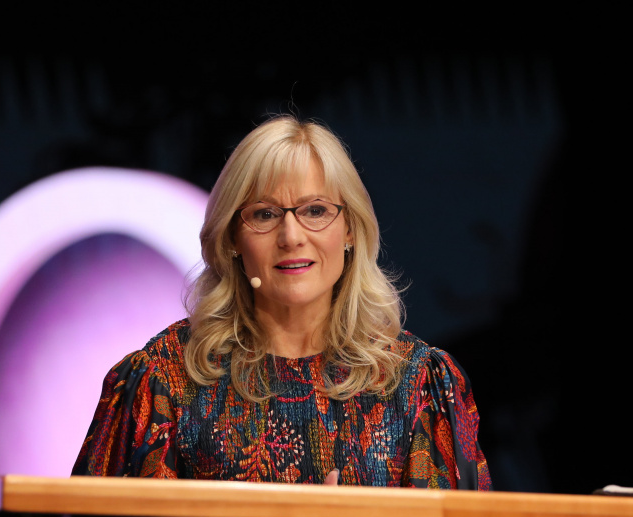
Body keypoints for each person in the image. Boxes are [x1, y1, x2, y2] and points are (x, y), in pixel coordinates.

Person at [72, 117, 490, 490]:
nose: (291, 236)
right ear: (232, 239)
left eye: (315, 210)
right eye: (265, 215)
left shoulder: (418, 385)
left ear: (349, 230)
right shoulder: (163, 379)